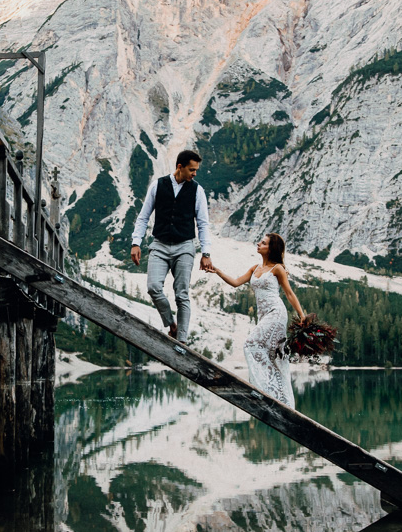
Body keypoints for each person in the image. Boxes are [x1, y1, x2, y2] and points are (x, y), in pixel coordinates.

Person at [205, 233, 306, 407]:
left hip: (276, 313)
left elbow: (289, 293)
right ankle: (279, 398)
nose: (258, 244)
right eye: (260, 241)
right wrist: (218, 271)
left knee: (251, 344)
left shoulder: (277, 269)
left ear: (271, 248)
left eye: (263, 243)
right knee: (273, 355)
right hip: (264, 316)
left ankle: (263, 390)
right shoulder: (255, 268)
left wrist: (302, 315)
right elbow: (236, 282)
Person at [129, 150, 214, 342]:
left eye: (196, 170)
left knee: (182, 294)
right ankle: (171, 324)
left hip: (184, 246)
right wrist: (136, 242)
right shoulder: (158, 185)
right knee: (153, 287)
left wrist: (206, 252)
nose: (195, 174)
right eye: (192, 170)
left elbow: (203, 223)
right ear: (179, 167)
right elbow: (143, 217)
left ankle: (181, 340)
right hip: (159, 245)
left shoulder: (197, 190)